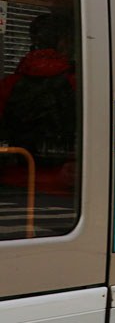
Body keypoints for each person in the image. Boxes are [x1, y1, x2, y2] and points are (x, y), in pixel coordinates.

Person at [0, 12, 78, 197]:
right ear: (64, 42)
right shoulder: (78, 83)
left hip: (15, 179)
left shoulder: (9, 84)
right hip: (65, 181)